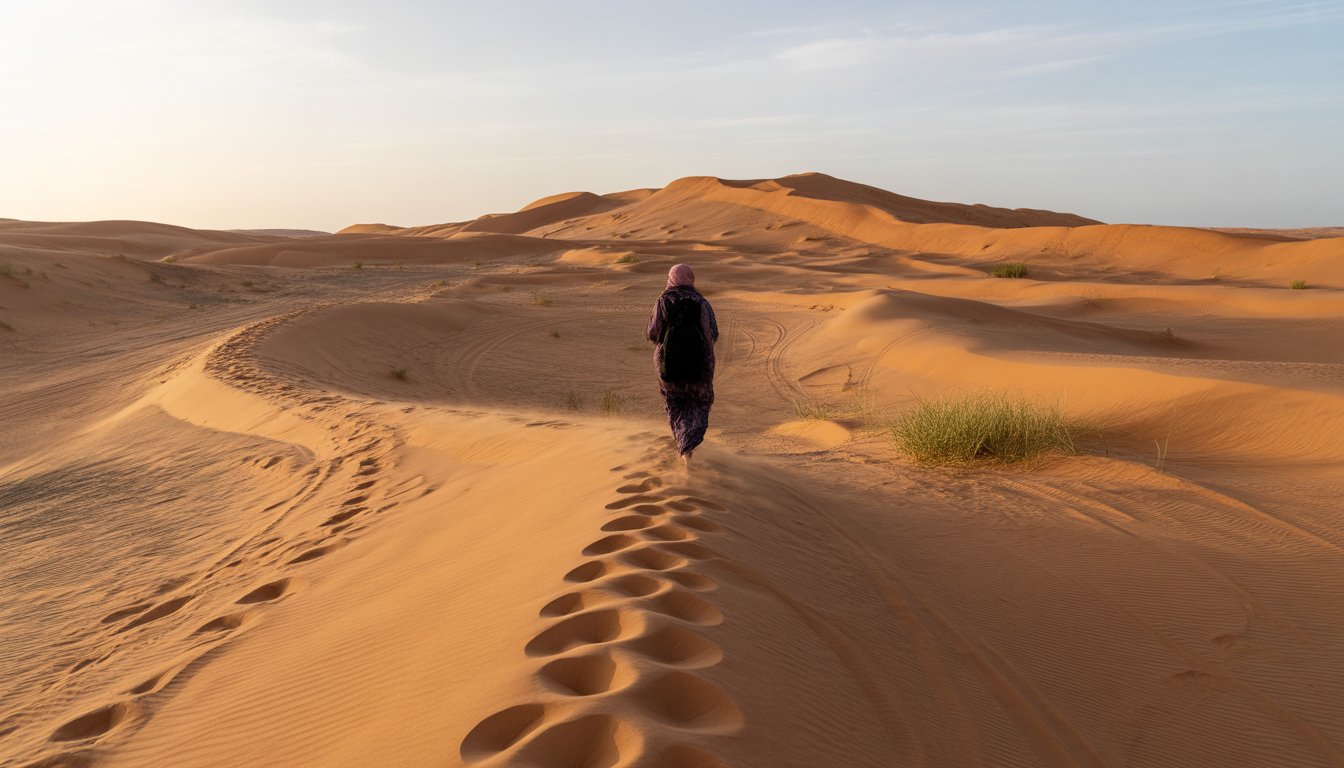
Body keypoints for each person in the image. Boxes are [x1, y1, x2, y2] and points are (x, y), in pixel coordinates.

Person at [647, 263, 719, 468]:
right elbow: (712, 333)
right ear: (690, 278)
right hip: (698, 365)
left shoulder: (662, 300)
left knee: (675, 404)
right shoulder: (701, 302)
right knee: (697, 403)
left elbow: (653, 332)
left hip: (667, 366)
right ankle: (689, 446)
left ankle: (684, 449)